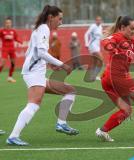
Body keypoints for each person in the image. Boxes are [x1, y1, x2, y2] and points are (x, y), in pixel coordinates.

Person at [6, 5, 79, 146]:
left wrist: (49, 64)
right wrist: (62, 64)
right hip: (33, 73)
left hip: (36, 72)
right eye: (60, 19)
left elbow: (33, 52)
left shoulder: (41, 29)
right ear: (51, 17)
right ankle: (13, 136)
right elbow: (40, 53)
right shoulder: (44, 28)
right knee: (34, 103)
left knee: (70, 91)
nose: (61, 22)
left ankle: (61, 123)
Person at [0, 17, 22, 83]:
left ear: (11, 23)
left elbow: (16, 38)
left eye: (9, 23)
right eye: (7, 23)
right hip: (5, 49)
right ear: (5, 23)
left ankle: (10, 77)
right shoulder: (2, 31)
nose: (8, 24)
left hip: (12, 49)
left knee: (13, 63)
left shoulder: (13, 31)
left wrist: (20, 41)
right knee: (2, 64)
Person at [84, 16, 103, 81]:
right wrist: (86, 43)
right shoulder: (93, 26)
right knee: (101, 59)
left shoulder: (100, 27)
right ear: (95, 21)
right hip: (92, 45)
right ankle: (94, 75)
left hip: (97, 46)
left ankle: (92, 76)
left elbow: (100, 37)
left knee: (95, 62)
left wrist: (103, 44)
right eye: (97, 20)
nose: (99, 21)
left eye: (100, 20)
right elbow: (86, 34)